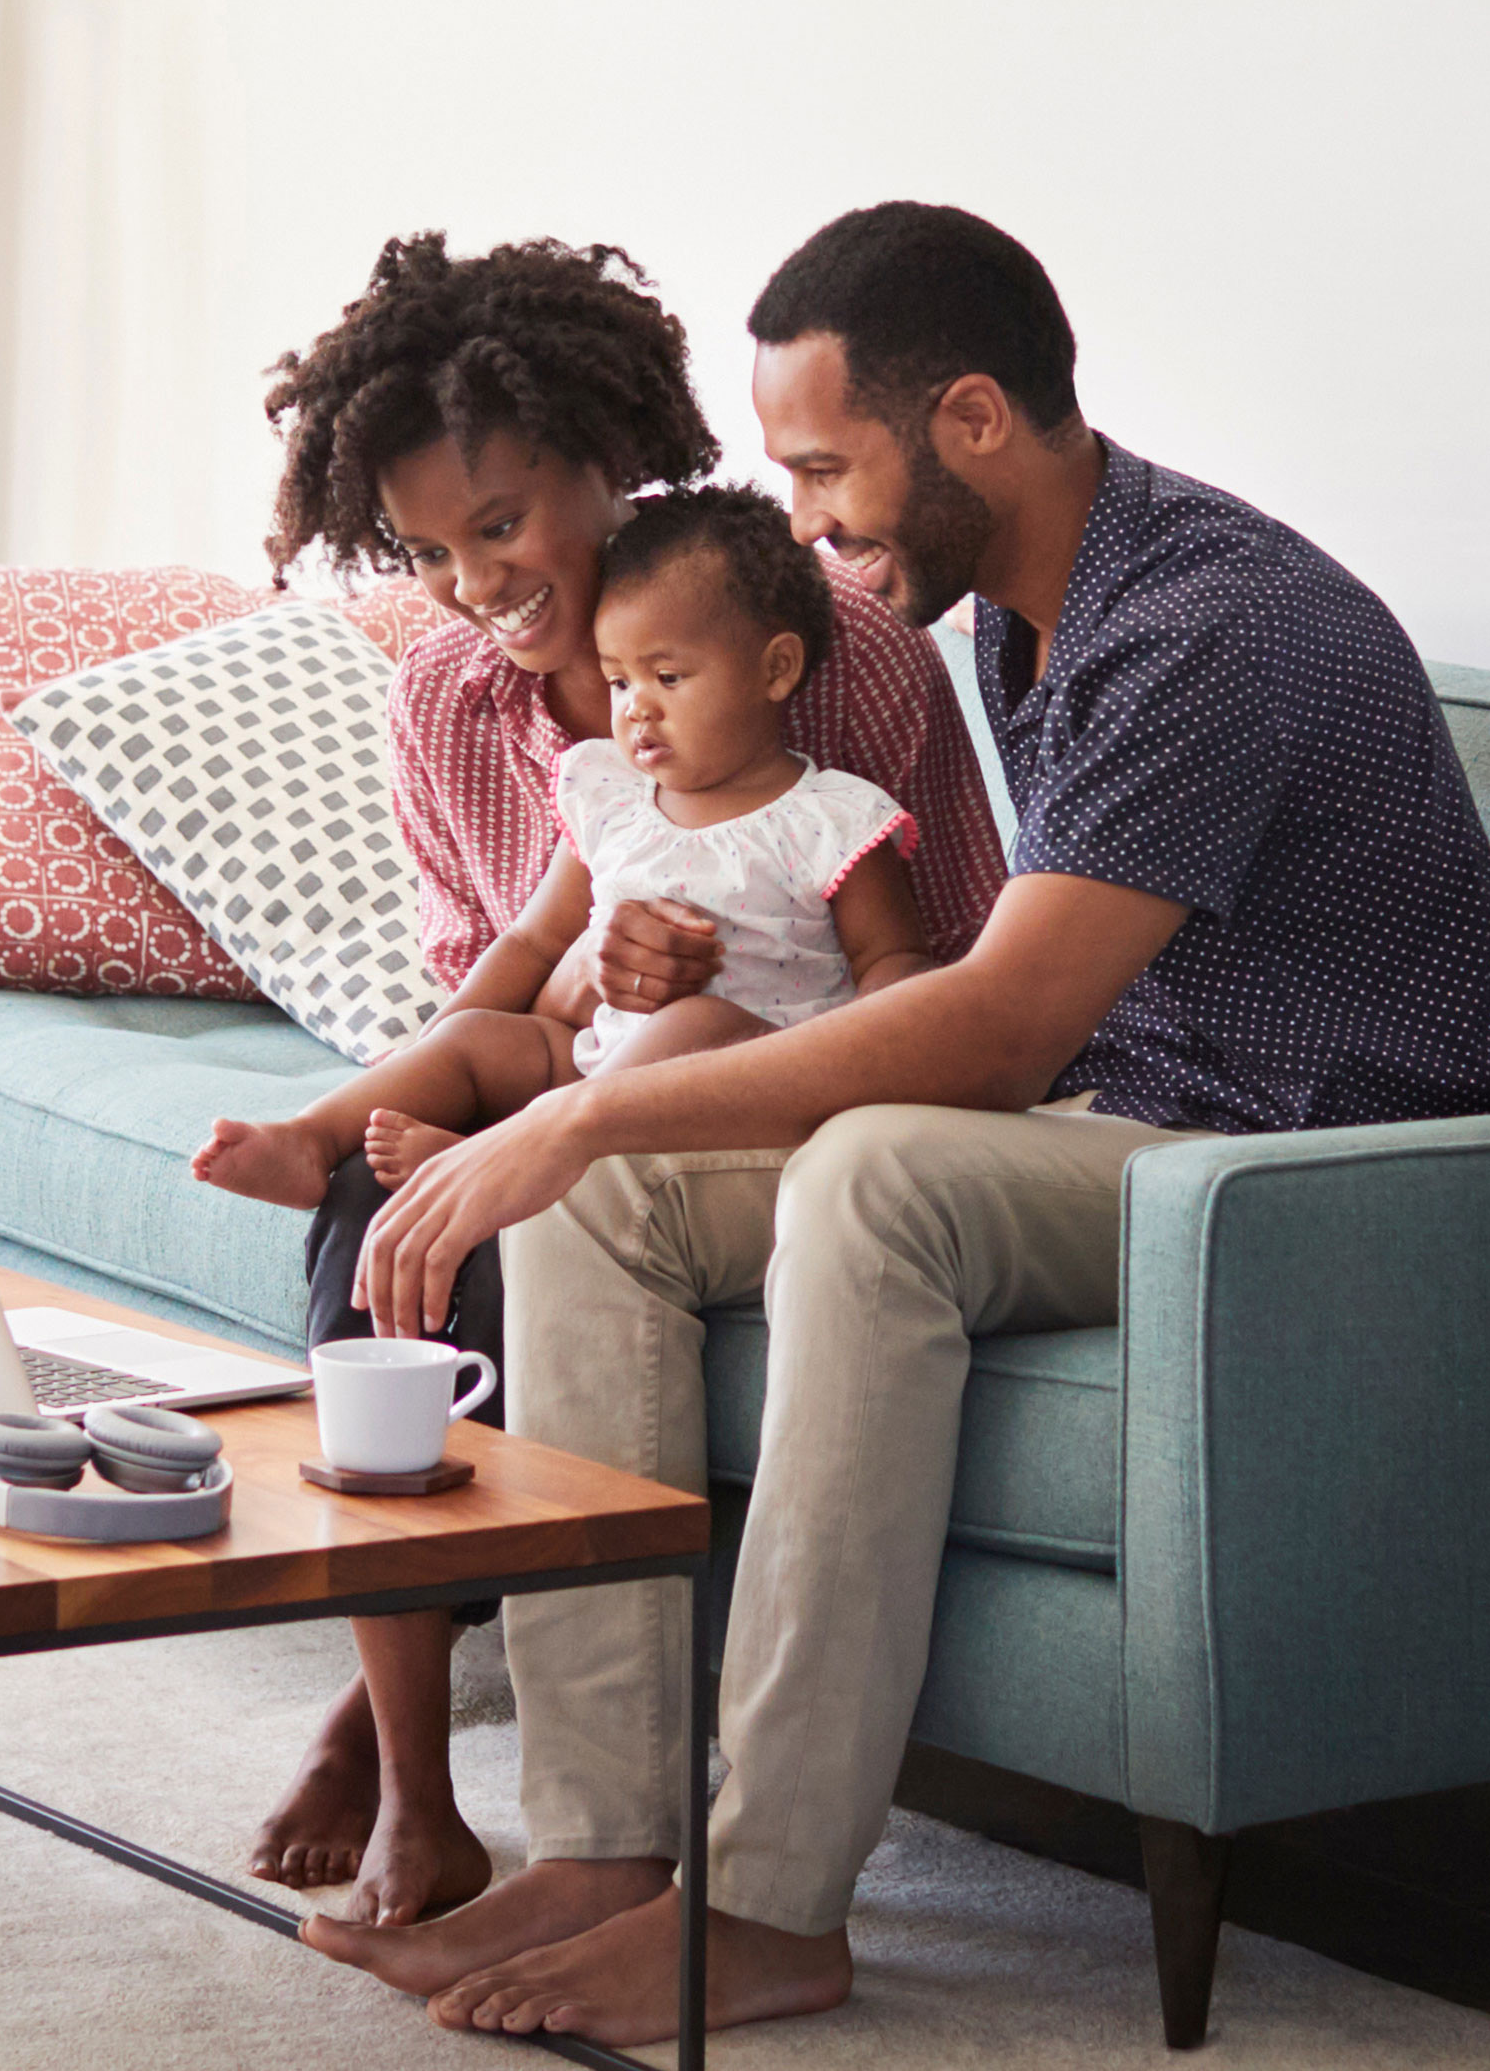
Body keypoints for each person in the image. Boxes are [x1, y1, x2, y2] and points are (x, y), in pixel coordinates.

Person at [306, 203, 1490, 2044]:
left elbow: (992, 1027)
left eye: (824, 466)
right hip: (1148, 1120)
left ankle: (772, 1908)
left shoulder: (1203, 624)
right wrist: (586, 1125)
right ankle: (604, 1850)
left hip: (1321, 1167)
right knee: (603, 1202)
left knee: (865, 1175)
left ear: (970, 418)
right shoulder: (1037, 616)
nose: (803, 517)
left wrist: (566, 1119)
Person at [244, 234, 1009, 1931]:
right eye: (434, 551)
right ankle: (415, 1782)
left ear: (609, 460)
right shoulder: (446, 694)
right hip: (559, 1068)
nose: (476, 589)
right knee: (386, 1211)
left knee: (520, 1194)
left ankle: (421, 1740)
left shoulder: (837, 652)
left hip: (775, 1089)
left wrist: (676, 1012)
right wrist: (568, 1009)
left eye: (504, 527)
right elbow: (490, 980)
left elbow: (938, 964)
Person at [193, 486, 938, 1209]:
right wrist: (443, 1046)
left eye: (667, 677)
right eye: (618, 681)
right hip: (598, 1061)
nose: (636, 707)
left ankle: (500, 1154)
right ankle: (309, 1138)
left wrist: (863, 1069)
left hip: (751, 1085)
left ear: (776, 669)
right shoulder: (611, 795)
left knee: (697, 1022)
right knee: (483, 1036)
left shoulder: (832, 818)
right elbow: (532, 939)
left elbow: (893, 963)